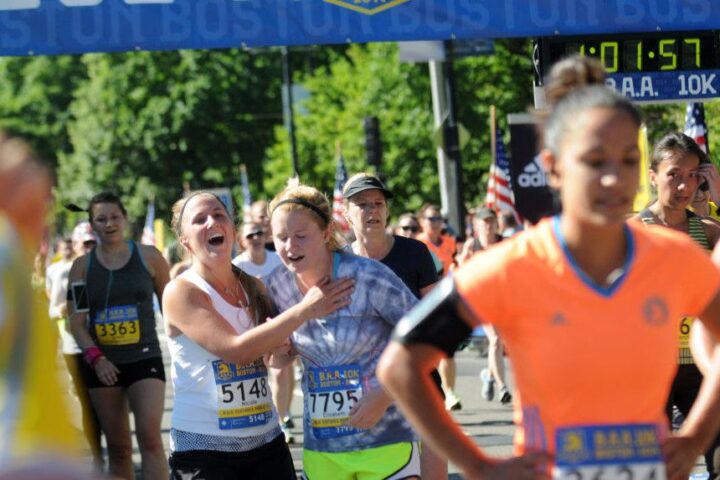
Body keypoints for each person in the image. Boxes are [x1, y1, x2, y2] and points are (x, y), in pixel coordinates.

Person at [378, 85, 720, 480]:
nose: (614, 178)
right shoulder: (514, 265)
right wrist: (478, 465)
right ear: (554, 166)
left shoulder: (671, 256)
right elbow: (400, 365)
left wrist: (696, 436)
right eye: (594, 161)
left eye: (627, 159)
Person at [161, 191, 353, 479]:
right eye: (199, 220)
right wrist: (305, 310)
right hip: (205, 449)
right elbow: (237, 351)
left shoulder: (255, 287)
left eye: (219, 215)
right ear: (185, 240)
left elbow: (273, 359)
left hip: (266, 442)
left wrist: (286, 350)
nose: (211, 222)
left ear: (232, 229)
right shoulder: (182, 291)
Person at [265, 180, 421, 480]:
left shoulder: (367, 276)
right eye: (281, 237)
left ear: (325, 233)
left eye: (300, 236)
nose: (290, 246)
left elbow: (427, 335)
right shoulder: (277, 286)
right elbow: (277, 361)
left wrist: (384, 394)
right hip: (323, 446)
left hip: (385, 437)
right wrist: (280, 350)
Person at [342, 173, 447, 479]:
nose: (372, 211)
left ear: (387, 210)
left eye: (378, 203)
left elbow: (436, 324)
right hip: (360, 389)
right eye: (361, 204)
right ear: (346, 213)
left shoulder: (415, 253)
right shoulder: (338, 262)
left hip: (418, 379)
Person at [633, 131, 720, 478]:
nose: (684, 186)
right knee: (655, 469)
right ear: (653, 176)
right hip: (651, 368)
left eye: (692, 175)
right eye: (674, 175)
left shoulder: (710, 232)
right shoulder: (631, 233)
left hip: (700, 367)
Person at [67, 192, 170, 480]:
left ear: (125, 218)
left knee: (150, 439)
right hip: (103, 365)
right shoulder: (82, 268)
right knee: (119, 449)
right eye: (101, 219)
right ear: (92, 225)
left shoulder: (150, 257)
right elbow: (75, 322)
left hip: (145, 357)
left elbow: (170, 307)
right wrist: (96, 358)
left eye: (114, 217)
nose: (109, 223)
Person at [232, 221, 294, 443]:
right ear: (241, 241)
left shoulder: (277, 260)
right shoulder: (236, 266)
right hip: (252, 328)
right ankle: (271, 419)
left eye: (259, 234)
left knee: (281, 372)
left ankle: (283, 418)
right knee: (266, 374)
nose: (256, 238)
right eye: (250, 235)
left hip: (281, 321)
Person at [46, 233, 103, 467]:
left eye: (92, 243)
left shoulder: (106, 268)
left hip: (107, 346)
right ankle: (98, 456)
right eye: (84, 243)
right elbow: (56, 304)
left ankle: (115, 454)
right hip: (75, 344)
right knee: (88, 403)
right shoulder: (69, 271)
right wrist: (62, 309)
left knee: (106, 404)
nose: (89, 247)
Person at [457, 207, 513, 406]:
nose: (488, 226)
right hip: (480, 300)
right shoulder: (473, 244)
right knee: (496, 340)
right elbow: (461, 272)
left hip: (503, 300)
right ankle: (502, 386)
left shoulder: (504, 243)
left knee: (498, 343)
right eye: (484, 222)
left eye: (491, 221)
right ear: (476, 226)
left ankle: (488, 375)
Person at [416, 204, 462, 410]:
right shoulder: (417, 245)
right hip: (423, 305)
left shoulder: (450, 243)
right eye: (430, 218)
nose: (435, 223)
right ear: (421, 221)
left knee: (447, 350)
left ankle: (450, 392)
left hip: (445, 302)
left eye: (438, 219)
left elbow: (455, 266)